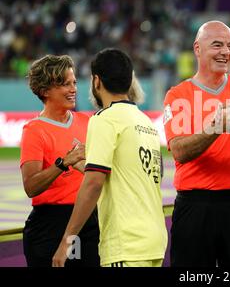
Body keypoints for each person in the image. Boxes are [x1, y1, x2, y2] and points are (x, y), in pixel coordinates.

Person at [163, 21, 230, 267]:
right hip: (194, 206)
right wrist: (214, 128)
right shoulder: (178, 95)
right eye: (217, 45)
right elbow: (179, 150)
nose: (226, 52)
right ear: (197, 48)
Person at [52, 48, 167, 267]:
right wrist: (83, 165)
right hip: (153, 242)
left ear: (96, 81)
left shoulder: (104, 120)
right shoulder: (146, 122)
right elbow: (136, 174)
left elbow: (93, 184)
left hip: (125, 244)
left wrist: (67, 242)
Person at [20, 55, 100, 267]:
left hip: (89, 220)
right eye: (65, 84)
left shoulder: (89, 122)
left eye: (74, 82)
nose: (73, 89)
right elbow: (31, 186)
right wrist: (63, 163)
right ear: (45, 90)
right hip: (50, 226)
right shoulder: (34, 130)